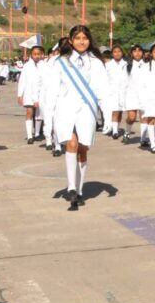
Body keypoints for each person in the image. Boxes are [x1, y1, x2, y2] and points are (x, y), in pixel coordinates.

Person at [42, 26, 112, 210]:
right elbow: (51, 92)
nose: (82, 41)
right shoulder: (60, 62)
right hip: (65, 109)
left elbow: (103, 90)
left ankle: (79, 190)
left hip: (87, 110)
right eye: (77, 38)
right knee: (71, 144)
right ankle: (72, 187)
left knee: (82, 149)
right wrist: (47, 121)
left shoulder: (96, 63)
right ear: (71, 41)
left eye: (85, 38)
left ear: (89, 40)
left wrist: (108, 116)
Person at [18, 44, 44, 145]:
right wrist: (20, 94)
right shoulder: (27, 66)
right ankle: (29, 136)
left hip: (41, 93)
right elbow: (22, 81)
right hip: (29, 93)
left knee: (39, 114)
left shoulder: (44, 65)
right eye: (35, 54)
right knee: (29, 112)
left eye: (39, 54)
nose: (37, 56)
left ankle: (37, 133)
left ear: (42, 54)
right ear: (31, 55)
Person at [122, 44, 145, 144]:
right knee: (131, 117)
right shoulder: (127, 66)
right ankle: (127, 132)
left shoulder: (147, 65)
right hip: (131, 95)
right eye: (135, 51)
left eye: (139, 51)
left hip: (144, 95)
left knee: (144, 118)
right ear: (131, 53)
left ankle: (143, 139)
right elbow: (123, 82)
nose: (137, 53)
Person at [104, 44, 128, 139]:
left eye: (119, 51)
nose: (117, 54)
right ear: (112, 54)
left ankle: (116, 128)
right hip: (112, 91)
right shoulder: (108, 65)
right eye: (115, 52)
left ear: (122, 53)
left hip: (123, 91)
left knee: (120, 111)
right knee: (115, 110)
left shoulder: (126, 64)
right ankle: (114, 131)